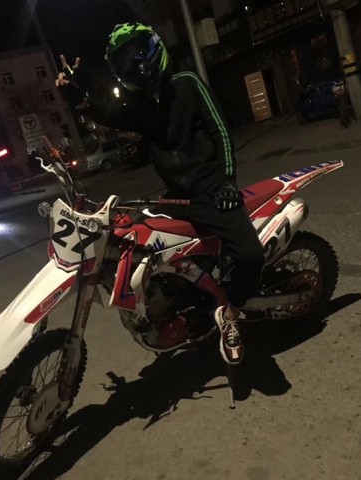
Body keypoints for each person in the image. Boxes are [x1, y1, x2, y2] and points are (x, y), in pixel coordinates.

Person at [56, 22, 265, 365]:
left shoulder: (187, 83)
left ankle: (230, 313)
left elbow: (221, 132)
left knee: (251, 254)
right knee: (140, 246)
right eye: (125, 61)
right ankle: (180, 305)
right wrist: (77, 97)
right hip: (176, 197)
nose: (135, 64)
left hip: (213, 192)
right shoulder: (140, 105)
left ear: (154, 46)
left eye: (138, 52)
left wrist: (228, 181)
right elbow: (109, 113)